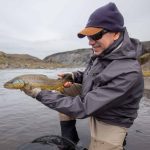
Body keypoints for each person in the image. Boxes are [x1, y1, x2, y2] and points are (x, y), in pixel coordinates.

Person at [22, 2, 145, 150]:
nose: (90, 42)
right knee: (63, 89)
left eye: (96, 35)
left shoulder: (128, 71)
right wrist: (74, 75)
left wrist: (40, 94)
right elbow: (94, 75)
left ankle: (118, 140)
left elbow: (83, 107)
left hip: (111, 118)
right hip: (95, 99)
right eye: (88, 37)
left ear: (116, 33)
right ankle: (69, 137)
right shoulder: (102, 52)